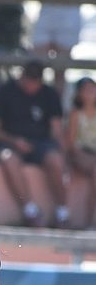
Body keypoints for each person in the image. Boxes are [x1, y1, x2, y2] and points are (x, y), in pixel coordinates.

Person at [0, 60, 70, 228]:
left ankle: (62, 213)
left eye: (35, 81)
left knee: (55, 160)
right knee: (8, 159)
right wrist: (14, 141)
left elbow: (56, 130)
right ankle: (30, 212)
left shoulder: (49, 94)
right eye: (28, 79)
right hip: (10, 143)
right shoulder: (5, 91)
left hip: (42, 144)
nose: (31, 85)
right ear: (22, 76)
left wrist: (64, 155)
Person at [66, 76, 96, 229]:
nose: (91, 92)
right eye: (86, 90)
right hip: (80, 155)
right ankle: (91, 222)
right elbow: (71, 144)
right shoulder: (75, 114)